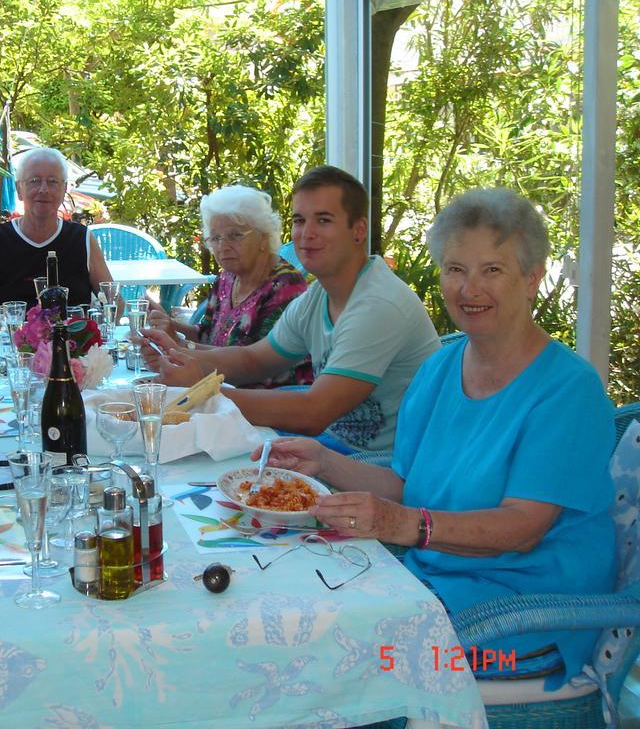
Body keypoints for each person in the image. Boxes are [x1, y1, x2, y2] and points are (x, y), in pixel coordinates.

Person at [258, 187, 615, 686]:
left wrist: (404, 525)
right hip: (433, 586)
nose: (470, 289)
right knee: (289, 619)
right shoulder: (439, 370)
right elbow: (409, 487)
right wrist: (323, 462)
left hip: (520, 627)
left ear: (532, 278)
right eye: (455, 269)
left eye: (492, 269)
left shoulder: (567, 391)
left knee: (345, 666)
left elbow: (522, 529)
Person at [142, 166, 438, 454]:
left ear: (358, 230)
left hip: (384, 464)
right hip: (331, 442)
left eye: (323, 220)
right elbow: (254, 359)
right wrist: (178, 354)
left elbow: (313, 413)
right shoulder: (321, 294)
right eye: (299, 220)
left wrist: (203, 393)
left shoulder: (377, 306)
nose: (306, 233)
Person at [146, 184, 312, 388]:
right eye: (215, 238)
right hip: (219, 389)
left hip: (267, 402)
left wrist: (178, 346)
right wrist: (173, 328)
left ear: (263, 237)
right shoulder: (227, 278)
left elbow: (252, 365)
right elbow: (207, 334)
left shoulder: (285, 287)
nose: (223, 246)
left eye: (235, 235)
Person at [0, 147, 115, 335]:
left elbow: (112, 298)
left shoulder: (81, 238)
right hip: (14, 353)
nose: (43, 189)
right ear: (19, 190)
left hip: (72, 353)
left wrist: (108, 317)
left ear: (64, 189)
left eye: (52, 182)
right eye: (34, 181)